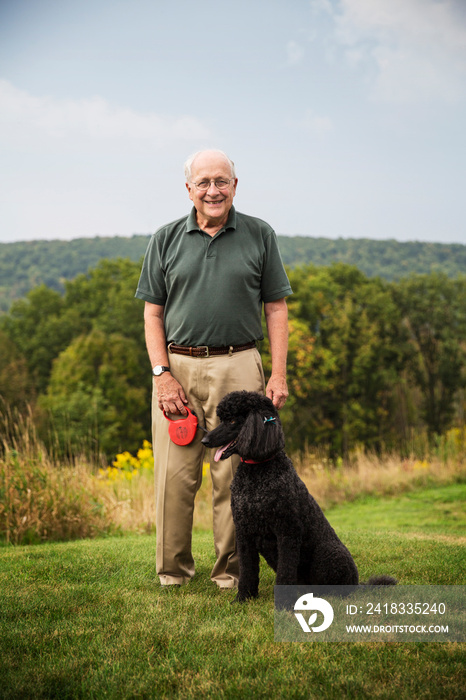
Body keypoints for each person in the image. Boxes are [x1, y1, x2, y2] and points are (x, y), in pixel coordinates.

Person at [135, 149, 292, 589]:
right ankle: (173, 573)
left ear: (235, 186)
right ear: (188, 189)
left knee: (235, 475)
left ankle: (231, 573)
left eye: (221, 181)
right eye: (203, 183)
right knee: (174, 477)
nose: (213, 190)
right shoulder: (165, 238)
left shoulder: (260, 234)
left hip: (240, 365)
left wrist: (277, 374)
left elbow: (276, 307)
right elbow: (152, 314)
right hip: (177, 369)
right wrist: (161, 374)